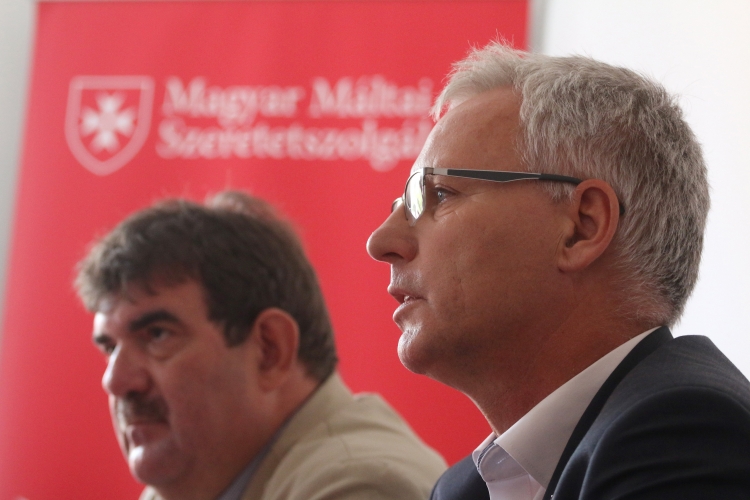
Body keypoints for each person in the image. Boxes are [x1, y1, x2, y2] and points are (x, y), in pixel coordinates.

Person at [367, 41, 750, 500]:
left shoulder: (683, 435)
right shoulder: (462, 489)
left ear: (581, 227)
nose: (380, 243)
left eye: (440, 195)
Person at [75, 190, 446, 500]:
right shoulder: (190, 485)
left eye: (157, 335)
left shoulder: (361, 486)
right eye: (110, 347)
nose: (116, 381)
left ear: (269, 350)